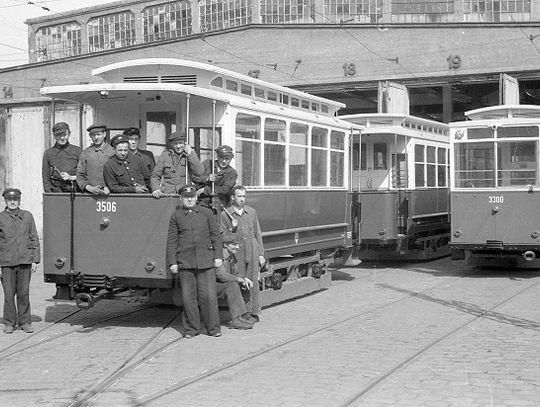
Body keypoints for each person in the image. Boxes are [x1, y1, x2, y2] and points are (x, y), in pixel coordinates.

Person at [166, 184, 223, 338]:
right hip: (186, 263)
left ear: (196, 198)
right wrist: (172, 262)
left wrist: (218, 256)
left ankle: (214, 329)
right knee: (188, 298)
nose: (189, 199)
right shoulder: (176, 216)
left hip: (206, 261)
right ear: (181, 199)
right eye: (186, 197)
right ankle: (192, 329)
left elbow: (216, 236)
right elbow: (172, 241)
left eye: (192, 197)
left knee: (209, 297)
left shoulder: (207, 213)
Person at [220, 185, 265, 323]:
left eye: (244, 196)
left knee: (253, 280)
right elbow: (222, 236)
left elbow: (257, 233)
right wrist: (231, 230)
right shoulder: (225, 214)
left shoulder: (251, 212)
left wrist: (261, 253)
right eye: (239, 196)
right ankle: (243, 313)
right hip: (236, 251)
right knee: (240, 278)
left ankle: (254, 312)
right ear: (232, 197)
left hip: (251, 249)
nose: (242, 199)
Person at [0, 189, 40, 334]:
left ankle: (25, 322)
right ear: (5, 201)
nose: (12, 202)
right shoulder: (1, 218)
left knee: (24, 293)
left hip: (25, 261)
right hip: (6, 262)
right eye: (10, 200)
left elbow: (34, 237)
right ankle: (9, 323)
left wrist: (35, 259)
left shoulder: (27, 216)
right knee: (9, 294)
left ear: (19, 201)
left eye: (15, 199)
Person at [216, 233, 255, 330]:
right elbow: (222, 276)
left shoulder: (232, 256)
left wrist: (244, 279)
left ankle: (244, 315)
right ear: (225, 245)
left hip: (223, 284)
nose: (237, 247)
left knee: (243, 284)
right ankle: (236, 320)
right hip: (213, 286)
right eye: (234, 244)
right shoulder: (218, 257)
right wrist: (238, 279)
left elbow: (236, 273)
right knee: (232, 285)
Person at [151, 132, 204, 198]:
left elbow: (200, 172)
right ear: (172, 144)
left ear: (185, 143)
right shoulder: (165, 155)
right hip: (168, 194)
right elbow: (155, 176)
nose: (178, 146)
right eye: (176, 144)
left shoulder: (189, 155)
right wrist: (156, 189)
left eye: (181, 143)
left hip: (185, 194)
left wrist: (190, 153)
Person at [194, 145, 238, 210]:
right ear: (217, 156)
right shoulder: (208, 164)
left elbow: (224, 189)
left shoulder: (232, 172)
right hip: (202, 201)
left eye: (227, 159)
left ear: (231, 159)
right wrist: (206, 178)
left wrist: (205, 190)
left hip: (220, 203)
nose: (224, 161)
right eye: (221, 157)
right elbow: (194, 177)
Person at [42, 122, 82, 192]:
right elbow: (45, 178)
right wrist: (50, 195)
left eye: (64, 135)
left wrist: (71, 177)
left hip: (74, 192)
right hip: (55, 193)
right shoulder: (48, 153)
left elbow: (84, 174)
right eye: (58, 135)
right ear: (54, 136)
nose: (62, 138)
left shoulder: (77, 151)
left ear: (69, 134)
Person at [76, 123, 115, 195]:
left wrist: (110, 187)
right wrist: (90, 188)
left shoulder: (113, 152)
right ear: (90, 136)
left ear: (104, 134)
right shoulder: (85, 153)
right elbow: (79, 176)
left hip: (112, 195)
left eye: (98, 134)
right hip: (91, 196)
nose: (96, 137)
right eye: (93, 135)